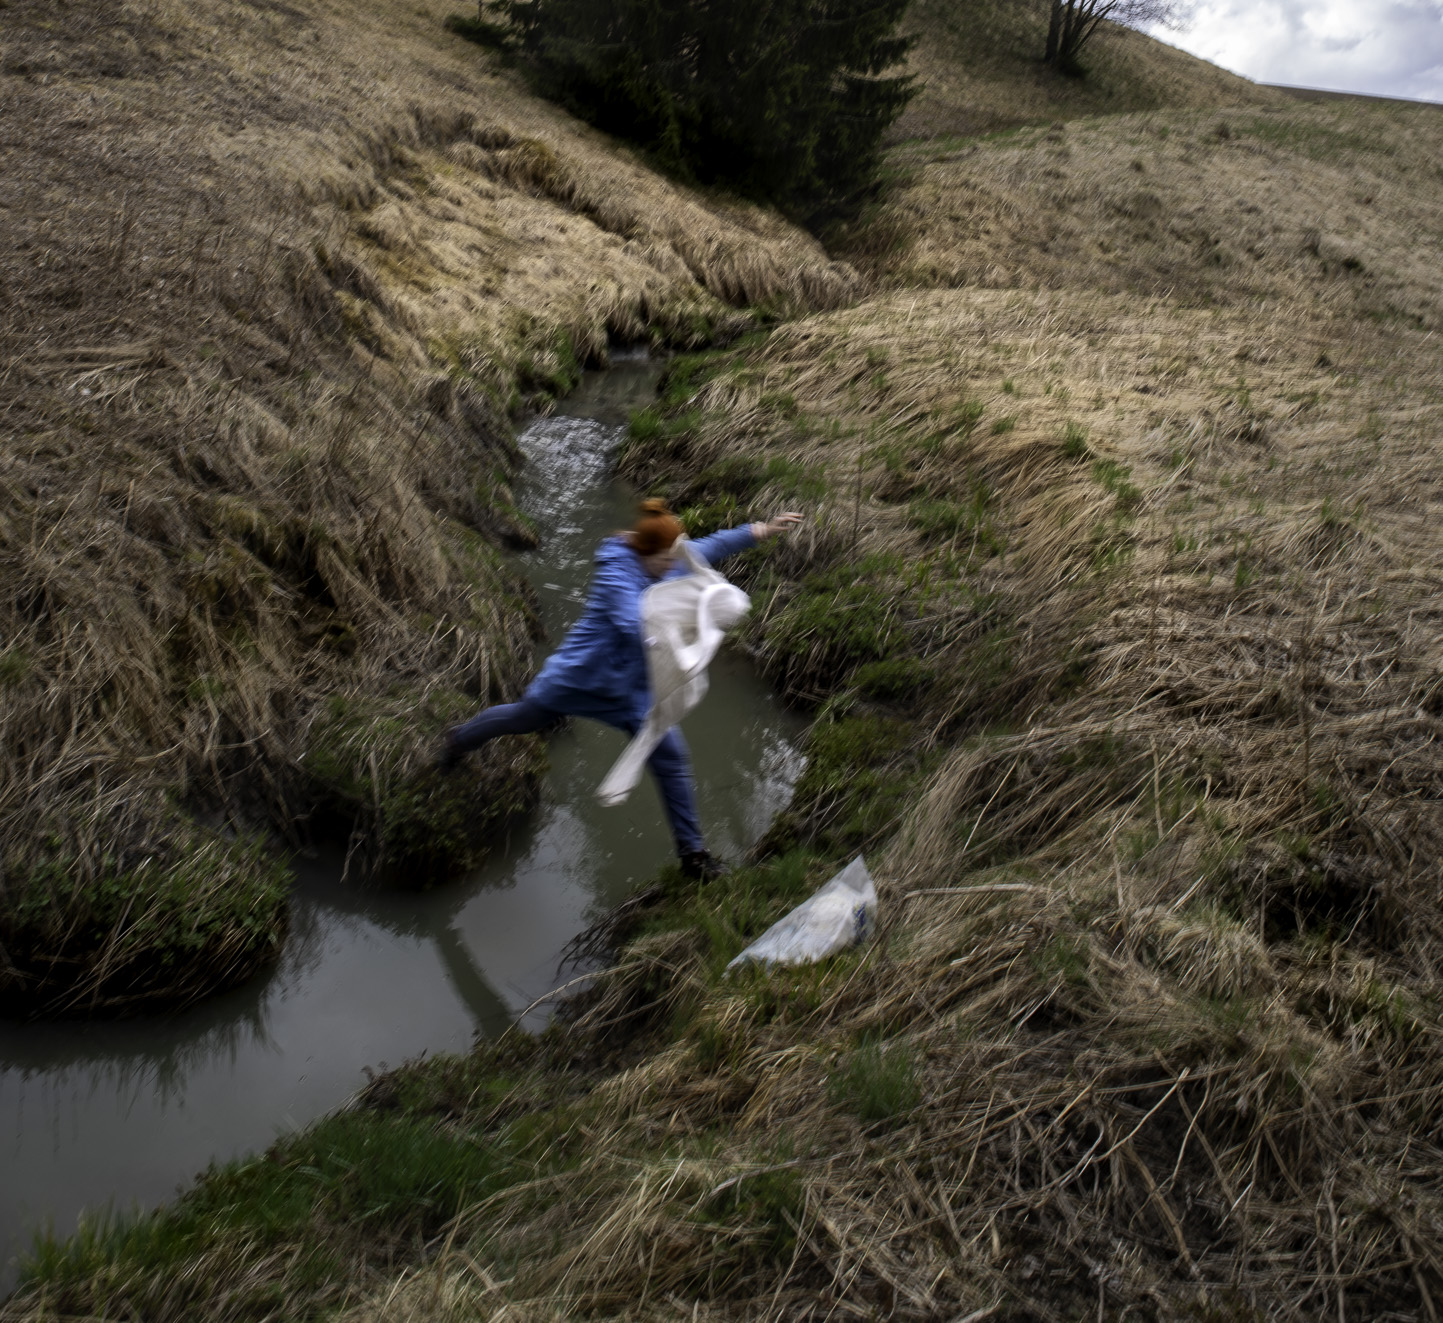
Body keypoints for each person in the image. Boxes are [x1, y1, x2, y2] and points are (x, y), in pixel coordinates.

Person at [438, 499, 803, 879]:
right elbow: (632, 622)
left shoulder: (672, 558)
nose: (671, 568)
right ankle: (457, 741)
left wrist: (761, 530)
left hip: (630, 693)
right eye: (664, 561)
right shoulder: (616, 569)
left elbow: (713, 545)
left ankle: (693, 856)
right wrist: (675, 647)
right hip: (579, 677)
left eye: (673, 560)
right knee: (523, 717)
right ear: (645, 552)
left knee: (671, 758)